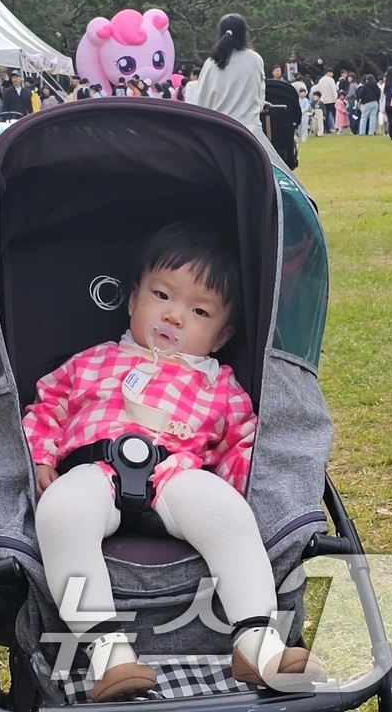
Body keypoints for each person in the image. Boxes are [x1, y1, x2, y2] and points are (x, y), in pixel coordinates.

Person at [27, 221, 323, 703]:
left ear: (222, 334)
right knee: (60, 513)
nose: (176, 316)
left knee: (229, 515)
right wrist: (41, 455)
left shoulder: (218, 384)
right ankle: (107, 650)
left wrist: (250, 488)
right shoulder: (92, 361)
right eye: (162, 296)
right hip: (92, 468)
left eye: (199, 310)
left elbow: (243, 443)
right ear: (131, 301)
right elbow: (45, 408)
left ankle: (257, 640)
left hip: (177, 475)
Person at [190, 13, 266, 138]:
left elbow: (201, 100)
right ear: (244, 34)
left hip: (216, 132)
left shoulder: (210, 63)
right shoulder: (254, 60)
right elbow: (258, 96)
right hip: (248, 133)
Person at [315, 69, 338, 133]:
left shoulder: (321, 80)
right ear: (328, 73)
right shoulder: (331, 80)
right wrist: (336, 98)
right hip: (331, 100)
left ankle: (326, 128)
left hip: (323, 100)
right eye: (331, 73)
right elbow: (334, 90)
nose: (332, 74)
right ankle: (337, 127)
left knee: (325, 115)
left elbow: (318, 89)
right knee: (335, 114)